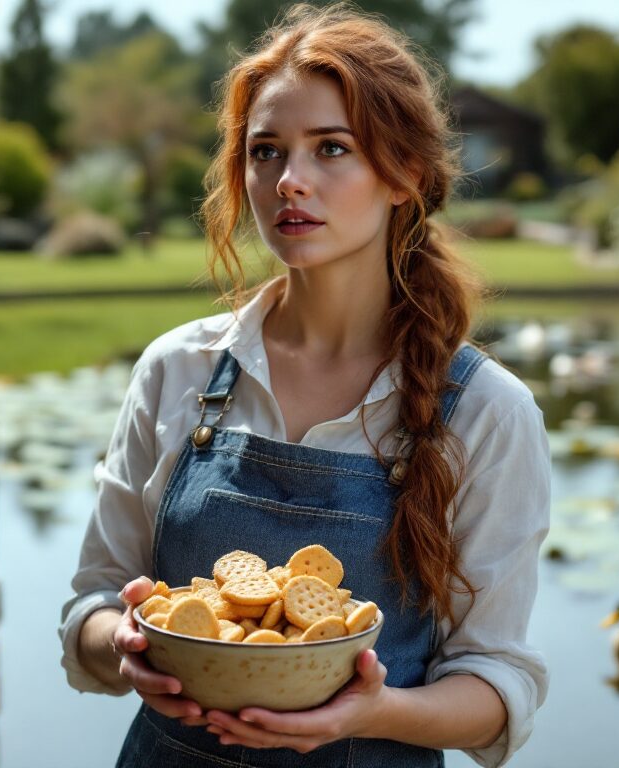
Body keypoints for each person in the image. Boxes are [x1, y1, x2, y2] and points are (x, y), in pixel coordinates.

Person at [58, 5, 550, 766]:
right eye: (266, 152)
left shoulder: (487, 412)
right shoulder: (177, 370)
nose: (289, 181)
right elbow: (95, 601)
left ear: (404, 174)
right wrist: (123, 645)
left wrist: (374, 712)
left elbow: (495, 686)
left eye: (331, 148)